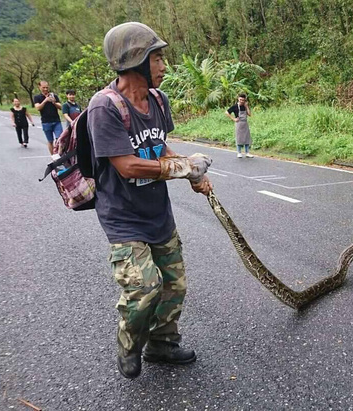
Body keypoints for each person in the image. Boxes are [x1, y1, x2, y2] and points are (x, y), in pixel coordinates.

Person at [88, 22, 213, 379]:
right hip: (123, 218)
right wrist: (184, 167)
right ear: (135, 61)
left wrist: (192, 174)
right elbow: (127, 166)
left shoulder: (158, 100)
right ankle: (129, 343)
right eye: (157, 58)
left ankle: (162, 344)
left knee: (174, 286)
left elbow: (159, 146)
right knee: (144, 288)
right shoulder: (105, 107)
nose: (163, 66)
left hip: (159, 213)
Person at [33, 81, 63, 155]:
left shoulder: (54, 96)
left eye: (47, 87)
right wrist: (45, 100)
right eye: (43, 87)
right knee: (50, 141)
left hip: (56, 121)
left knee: (60, 139)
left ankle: (59, 155)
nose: (45, 89)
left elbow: (60, 107)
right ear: (39, 87)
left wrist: (54, 102)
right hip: (46, 122)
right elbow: (38, 108)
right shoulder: (37, 97)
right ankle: (53, 156)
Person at [225, 93, 254, 158]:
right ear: (238, 99)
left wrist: (247, 106)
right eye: (240, 99)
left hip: (245, 123)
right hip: (239, 124)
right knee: (239, 138)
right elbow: (226, 112)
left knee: (247, 138)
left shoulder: (245, 106)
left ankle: (247, 153)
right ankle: (239, 152)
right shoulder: (235, 106)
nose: (241, 101)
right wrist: (233, 119)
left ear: (245, 100)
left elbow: (249, 114)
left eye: (243, 100)